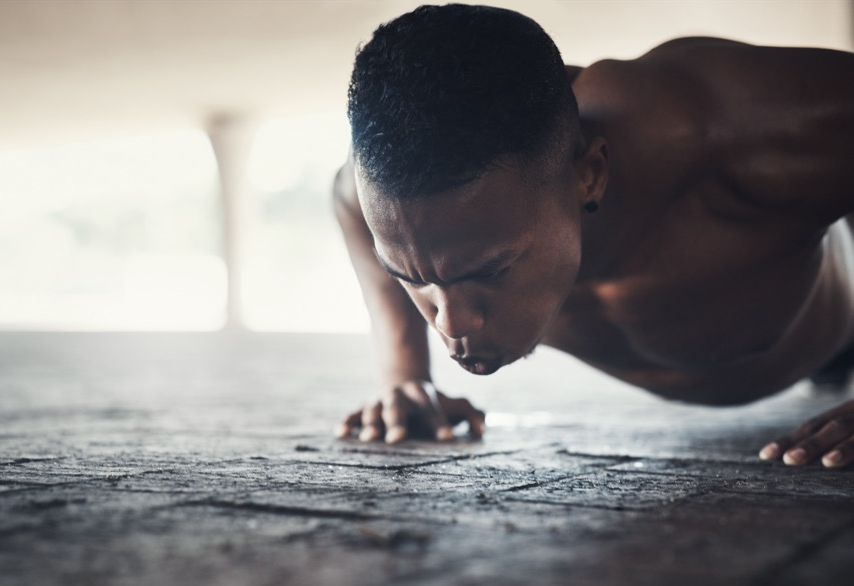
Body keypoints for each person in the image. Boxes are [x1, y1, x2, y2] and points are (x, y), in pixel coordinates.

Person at [332, 4, 854, 468]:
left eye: (490, 269)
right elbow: (345, 198)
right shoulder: (384, 200)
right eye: (410, 276)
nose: (453, 325)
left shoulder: (733, 130)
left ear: (589, 176)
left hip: (832, 334)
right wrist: (405, 373)